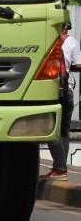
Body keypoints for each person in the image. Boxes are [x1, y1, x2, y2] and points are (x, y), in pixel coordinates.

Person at [43, 22, 81, 181]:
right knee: (65, 131)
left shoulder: (49, 40)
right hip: (68, 91)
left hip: (52, 91)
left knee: (52, 130)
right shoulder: (72, 42)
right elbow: (78, 65)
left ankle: (60, 168)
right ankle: (60, 169)